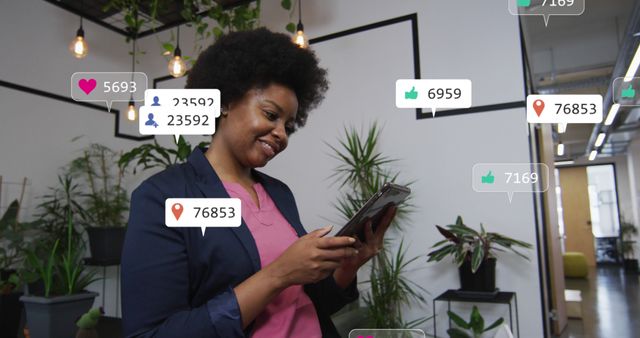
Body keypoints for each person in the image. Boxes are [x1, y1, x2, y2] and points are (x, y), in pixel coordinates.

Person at [121, 28, 397, 338]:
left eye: (289, 127)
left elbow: (307, 302)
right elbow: (151, 333)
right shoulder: (163, 197)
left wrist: (348, 266)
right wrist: (278, 274)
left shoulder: (278, 193)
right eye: (270, 114)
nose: (281, 133)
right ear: (224, 102)